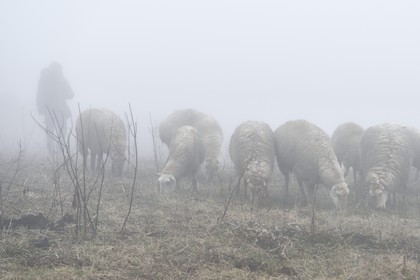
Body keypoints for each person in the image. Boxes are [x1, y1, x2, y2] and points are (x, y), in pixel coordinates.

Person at [36, 62, 74, 155]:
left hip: (48, 111)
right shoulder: (61, 79)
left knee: (49, 132)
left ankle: (50, 154)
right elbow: (70, 94)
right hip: (60, 110)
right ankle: (60, 154)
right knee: (62, 132)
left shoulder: (43, 79)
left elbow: (39, 95)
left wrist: (40, 108)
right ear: (59, 69)